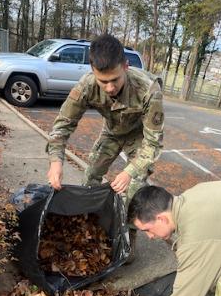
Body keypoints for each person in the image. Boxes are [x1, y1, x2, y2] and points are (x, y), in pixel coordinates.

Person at [47, 34, 164, 261]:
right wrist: (55, 161)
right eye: (103, 81)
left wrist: (129, 171)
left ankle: (127, 240)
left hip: (138, 138)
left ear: (125, 66)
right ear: (92, 70)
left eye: (115, 80)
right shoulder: (86, 86)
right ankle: (88, 224)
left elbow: (153, 143)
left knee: (132, 191)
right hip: (111, 133)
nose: (109, 88)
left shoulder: (148, 89)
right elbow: (62, 125)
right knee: (90, 176)